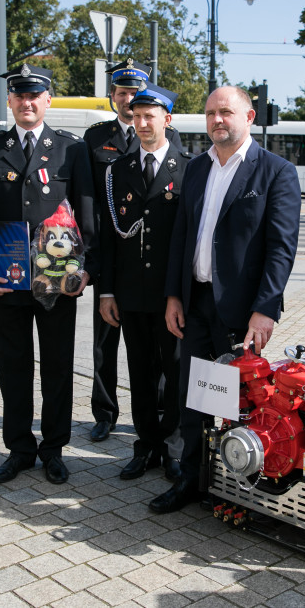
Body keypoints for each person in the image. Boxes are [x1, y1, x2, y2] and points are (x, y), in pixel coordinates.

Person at [149, 85, 302, 514]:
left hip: (242, 311)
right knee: (195, 398)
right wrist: (173, 295)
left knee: (245, 404)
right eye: (211, 112)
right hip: (195, 303)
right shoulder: (195, 169)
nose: (218, 119)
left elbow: (280, 249)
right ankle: (193, 480)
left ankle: (244, 485)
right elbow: (182, 236)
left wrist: (265, 309)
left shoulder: (275, 172)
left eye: (227, 112)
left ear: (249, 117)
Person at [0, 64, 96, 486]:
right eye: (19, 95)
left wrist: (85, 270)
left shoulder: (70, 150)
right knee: (13, 368)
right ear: (10, 101)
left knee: (58, 368)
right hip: (5, 285)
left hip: (56, 284)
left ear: (48, 100)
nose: (27, 102)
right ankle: (19, 449)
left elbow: (87, 217)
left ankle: (54, 449)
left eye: (34, 95)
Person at [84, 58, 184, 443]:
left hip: (157, 276)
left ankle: (163, 427)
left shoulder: (176, 152)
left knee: (162, 359)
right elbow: (91, 203)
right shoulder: (96, 139)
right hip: (116, 265)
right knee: (110, 346)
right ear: (114, 98)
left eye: (138, 98)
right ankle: (107, 413)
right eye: (123, 94)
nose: (132, 106)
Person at [98, 84, 190, 480]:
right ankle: (146, 445)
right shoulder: (118, 170)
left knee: (173, 372)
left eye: (150, 116)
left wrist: (183, 294)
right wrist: (106, 290)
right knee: (140, 371)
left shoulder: (190, 167)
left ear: (167, 120)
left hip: (170, 294)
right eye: (136, 116)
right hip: (131, 292)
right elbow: (106, 235)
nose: (142, 123)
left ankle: (173, 446)